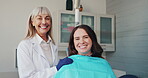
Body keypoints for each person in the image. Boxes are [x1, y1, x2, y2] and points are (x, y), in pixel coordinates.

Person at [17, 6, 73, 78]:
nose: (44, 22)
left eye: (47, 18)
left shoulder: (52, 44)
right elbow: (27, 76)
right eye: (39, 18)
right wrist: (56, 69)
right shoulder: (25, 45)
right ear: (32, 22)